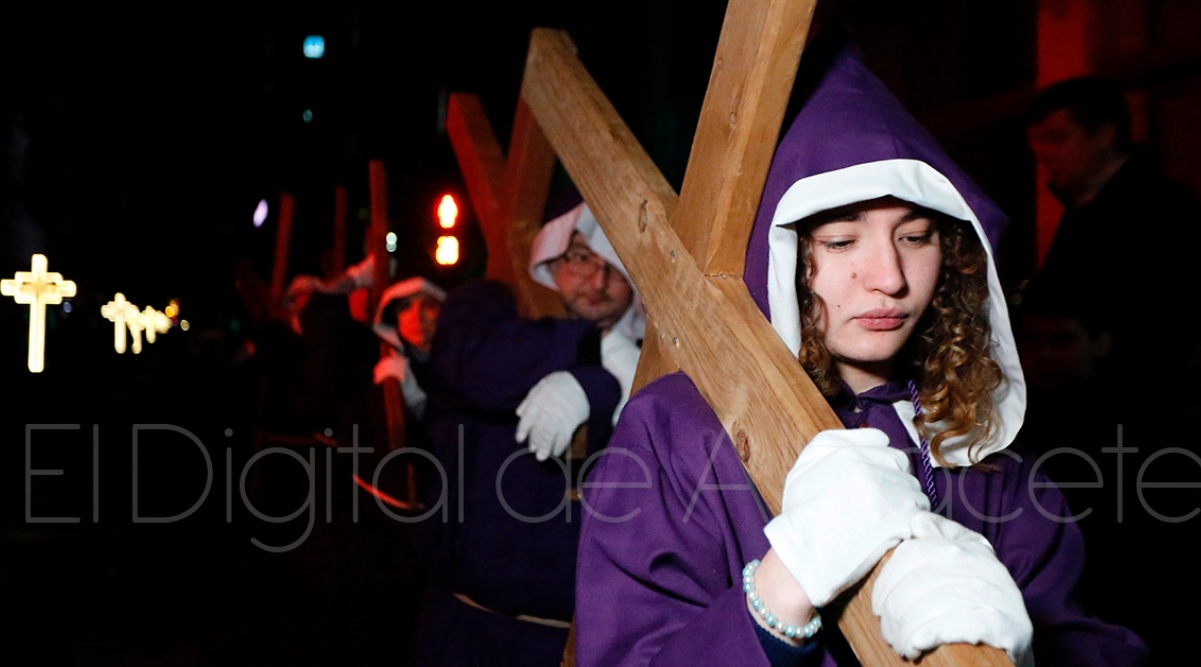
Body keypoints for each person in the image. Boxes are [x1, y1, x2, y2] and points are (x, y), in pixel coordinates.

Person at [574, 33, 1149, 667]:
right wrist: (777, 594)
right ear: (784, 256)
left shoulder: (981, 448)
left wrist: (1028, 653)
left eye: (917, 236)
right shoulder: (677, 430)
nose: (891, 278)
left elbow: (1089, 639)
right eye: (843, 241)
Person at [410, 198, 643, 667]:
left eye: (615, 264)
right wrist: (594, 371)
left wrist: (608, 378)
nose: (597, 280)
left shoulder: (652, 365)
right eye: (579, 257)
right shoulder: (487, 312)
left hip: (572, 645)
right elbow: (477, 370)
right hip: (466, 632)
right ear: (550, 259)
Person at [1021, 74, 1201, 664]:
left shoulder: (1165, 217)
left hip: (1151, 441)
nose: (1044, 154)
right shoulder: (1084, 216)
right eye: (1037, 141)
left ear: (1105, 135)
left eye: (1057, 137)